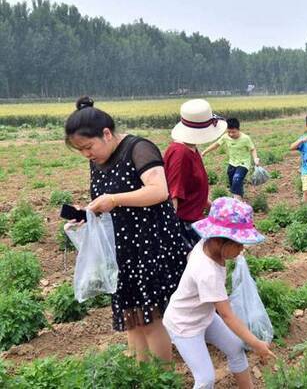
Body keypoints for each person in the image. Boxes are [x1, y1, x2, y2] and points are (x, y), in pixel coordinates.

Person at [64, 96, 189, 362]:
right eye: (81, 151)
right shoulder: (97, 161)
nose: (87, 154)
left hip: (150, 246)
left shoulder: (139, 148)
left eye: (88, 146)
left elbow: (159, 190)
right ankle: (139, 373)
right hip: (122, 250)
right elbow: (107, 203)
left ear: (106, 133)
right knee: (131, 317)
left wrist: (115, 199)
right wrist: (87, 213)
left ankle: (159, 377)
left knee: (150, 318)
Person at [163, 197, 276, 389]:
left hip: (204, 316)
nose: (241, 250)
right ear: (219, 240)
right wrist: (257, 344)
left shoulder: (205, 245)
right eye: (239, 244)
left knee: (236, 348)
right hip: (184, 326)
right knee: (206, 379)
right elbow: (227, 316)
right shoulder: (208, 272)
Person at [164, 99, 227, 248]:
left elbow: (191, 188)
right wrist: (170, 235)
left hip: (196, 221)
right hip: (185, 227)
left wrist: (211, 207)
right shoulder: (180, 154)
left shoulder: (191, 148)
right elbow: (174, 196)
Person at [202, 118, 259, 201]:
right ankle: (239, 195)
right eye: (229, 132)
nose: (231, 134)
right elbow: (216, 144)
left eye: (233, 132)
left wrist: (255, 158)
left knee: (237, 179)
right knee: (233, 181)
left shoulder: (246, 138)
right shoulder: (225, 137)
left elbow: (252, 149)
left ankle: (237, 201)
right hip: (232, 163)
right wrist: (204, 152)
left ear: (238, 130)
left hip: (243, 163)